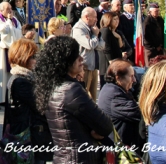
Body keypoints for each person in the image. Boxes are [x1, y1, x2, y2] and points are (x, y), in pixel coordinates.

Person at [34, 36, 113, 164]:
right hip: (79, 157)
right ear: (65, 61)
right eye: (76, 56)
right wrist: (93, 131)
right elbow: (105, 125)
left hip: (62, 157)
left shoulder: (51, 87)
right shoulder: (71, 90)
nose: (81, 58)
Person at [3, 39, 52, 164]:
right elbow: (41, 104)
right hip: (26, 135)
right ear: (23, 58)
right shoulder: (21, 81)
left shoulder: (28, 77)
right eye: (33, 57)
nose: (36, 60)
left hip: (32, 134)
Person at [97, 60, 144, 149]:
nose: (134, 80)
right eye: (131, 76)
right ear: (118, 78)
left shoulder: (112, 88)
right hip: (120, 150)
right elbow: (138, 113)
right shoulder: (115, 95)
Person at [72, 7, 105, 101]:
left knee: (93, 99)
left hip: (93, 68)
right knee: (83, 97)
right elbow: (90, 45)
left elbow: (102, 46)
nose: (96, 19)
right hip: (83, 68)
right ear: (87, 17)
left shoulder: (93, 29)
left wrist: (96, 36)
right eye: (94, 17)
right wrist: (95, 36)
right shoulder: (78, 28)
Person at [0, 1, 22, 104]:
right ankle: (1, 99)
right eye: (7, 9)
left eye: (10, 8)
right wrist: (9, 22)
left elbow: (19, 32)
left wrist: (11, 26)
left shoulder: (15, 20)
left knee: (11, 74)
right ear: (1, 10)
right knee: (3, 74)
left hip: (12, 50)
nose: (10, 11)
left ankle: (10, 98)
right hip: (3, 50)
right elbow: (3, 32)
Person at [99, 12, 125, 89]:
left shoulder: (113, 31)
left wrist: (119, 38)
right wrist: (112, 62)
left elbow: (120, 47)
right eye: (114, 19)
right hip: (108, 64)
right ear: (108, 20)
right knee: (107, 86)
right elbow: (106, 48)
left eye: (118, 19)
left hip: (116, 62)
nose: (117, 21)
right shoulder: (105, 31)